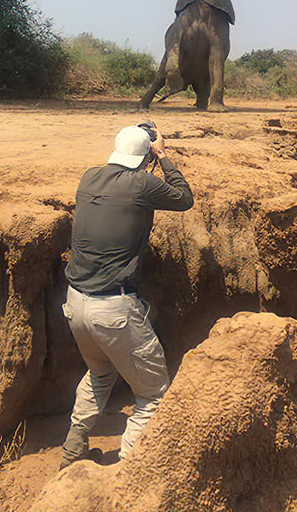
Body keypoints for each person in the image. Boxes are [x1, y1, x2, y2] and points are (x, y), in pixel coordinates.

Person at [60, 121, 194, 469]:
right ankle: (129, 472)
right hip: (114, 308)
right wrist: (162, 155)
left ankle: (72, 451)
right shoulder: (142, 182)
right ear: (145, 156)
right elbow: (184, 198)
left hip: (76, 303)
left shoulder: (89, 176)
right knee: (151, 394)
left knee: (100, 373)